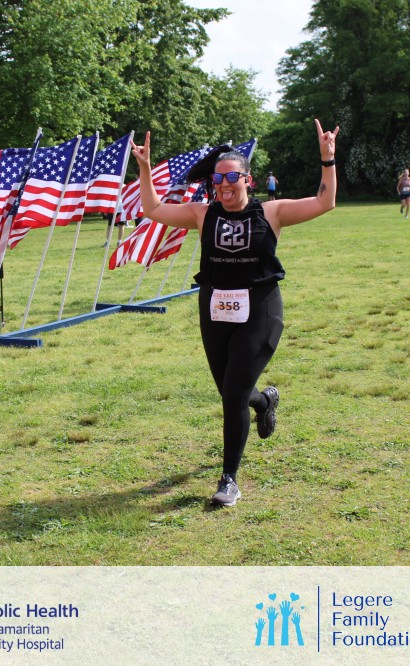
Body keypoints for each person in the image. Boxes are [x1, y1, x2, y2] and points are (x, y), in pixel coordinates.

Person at [130, 119, 339, 507]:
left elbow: (324, 202)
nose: (224, 185)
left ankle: (229, 479)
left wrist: (328, 159)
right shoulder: (202, 214)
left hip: (259, 309)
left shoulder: (272, 212)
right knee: (231, 391)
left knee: (232, 395)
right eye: (218, 179)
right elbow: (153, 208)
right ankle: (264, 402)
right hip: (214, 309)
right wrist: (144, 168)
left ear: (248, 180)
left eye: (232, 178)